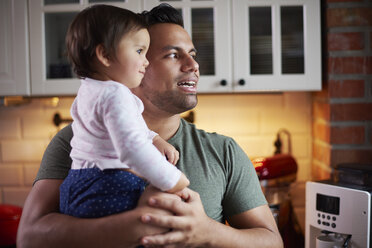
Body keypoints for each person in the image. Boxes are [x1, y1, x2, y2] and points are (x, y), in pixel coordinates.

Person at [17, 3, 283, 248]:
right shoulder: (75, 141)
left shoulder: (223, 152)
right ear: (135, 65)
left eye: (192, 54)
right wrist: (139, 224)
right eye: (172, 55)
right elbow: (29, 237)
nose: (193, 65)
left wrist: (208, 232)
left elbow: (272, 242)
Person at [58, 4, 189, 219]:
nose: (145, 61)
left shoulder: (89, 90)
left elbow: (123, 128)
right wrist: (173, 179)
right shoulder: (115, 94)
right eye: (139, 51)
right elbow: (131, 149)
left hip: (79, 183)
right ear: (105, 55)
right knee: (160, 222)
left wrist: (154, 138)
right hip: (107, 186)